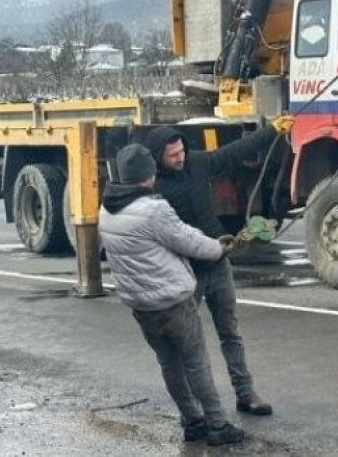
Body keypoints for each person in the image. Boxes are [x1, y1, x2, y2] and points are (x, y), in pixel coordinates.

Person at [143, 116, 293, 416]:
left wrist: (271, 131)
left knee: (230, 332)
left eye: (182, 150)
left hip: (218, 261)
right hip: (186, 270)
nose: (180, 157)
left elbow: (234, 152)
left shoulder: (197, 163)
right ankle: (196, 408)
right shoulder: (153, 188)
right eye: (173, 155)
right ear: (159, 158)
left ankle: (245, 392)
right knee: (188, 343)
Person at [99, 144, 244, 446]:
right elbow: (188, 240)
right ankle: (217, 425)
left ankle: (192, 421)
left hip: (141, 305)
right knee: (196, 363)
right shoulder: (154, 209)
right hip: (173, 302)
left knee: (169, 364)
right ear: (148, 174)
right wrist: (220, 247)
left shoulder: (107, 209)